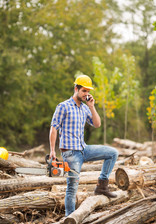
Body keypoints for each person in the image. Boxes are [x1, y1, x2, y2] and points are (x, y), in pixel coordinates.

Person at [49, 74, 118, 216]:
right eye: (83, 91)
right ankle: (70, 217)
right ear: (76, 88)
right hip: (70, 153)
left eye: (88, 91)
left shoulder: (85, 108)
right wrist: (52, 151)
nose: (86, 94)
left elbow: (97, 124)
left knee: (112, 153)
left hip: (84, 149)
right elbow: (53, 128)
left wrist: (92, 107)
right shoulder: (63, 106)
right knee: (72, 188)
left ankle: (102, 186)